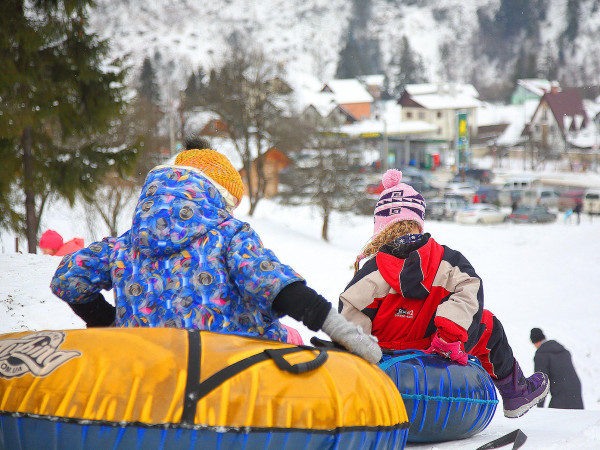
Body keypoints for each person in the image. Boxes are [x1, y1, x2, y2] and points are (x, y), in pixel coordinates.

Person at [49, 137, 381, 364]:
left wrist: (107, 322)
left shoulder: (122, 246)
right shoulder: (229, 236)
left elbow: (68, 278)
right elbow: (277, 287)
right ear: (219, 197)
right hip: (229, 372)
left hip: (145, 369)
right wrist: (346, 334)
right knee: (291, 340)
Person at [338, 169, 549, 418]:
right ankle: (516, 393)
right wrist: (449, 336)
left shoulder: (371, 272)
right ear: (418, 220)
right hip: (435, 348)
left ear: (380, 227)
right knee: (489, 325)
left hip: (386, 357)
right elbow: (469, 291)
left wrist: (361, 355)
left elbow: (350, 317)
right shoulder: (447, 261)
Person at [530, 328, 583, 409]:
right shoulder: (563, 350)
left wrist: (539, 408)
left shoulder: (541, 355)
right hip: (575, 389)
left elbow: (541, 382)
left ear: (534, 342)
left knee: (556, 419)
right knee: (576, 419)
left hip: (561, 393)